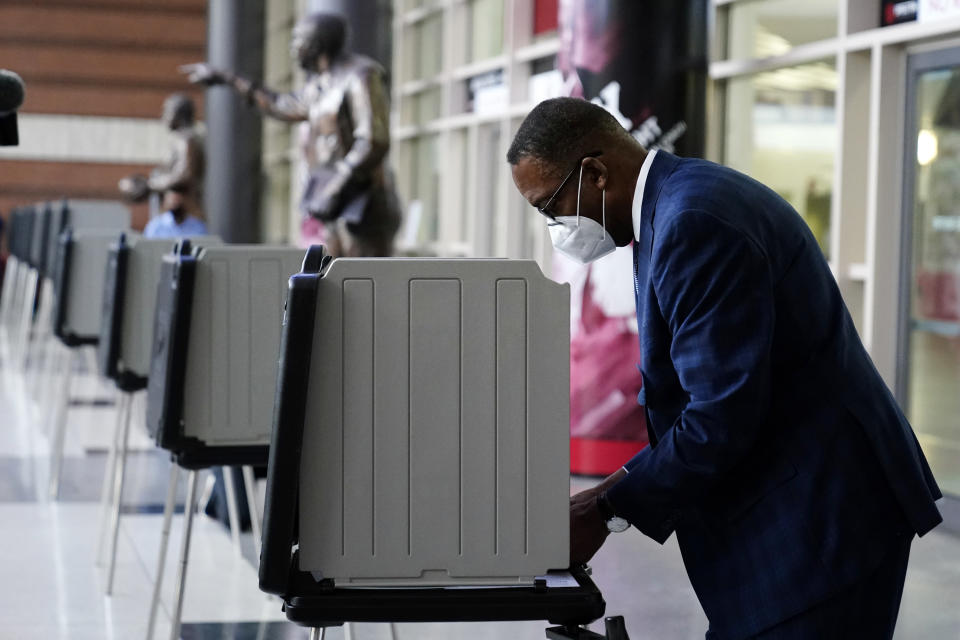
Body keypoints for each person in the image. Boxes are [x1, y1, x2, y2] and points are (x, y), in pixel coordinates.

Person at [507, 97, 942, 639]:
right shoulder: (670, 207)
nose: (555, 226)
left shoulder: (693, 223)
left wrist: (606, 510)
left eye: (550, 206)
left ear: (595, 173)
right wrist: (599, 494)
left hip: (821, 520)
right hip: (792, 501)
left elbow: (718, 414)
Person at [182, 12, 400, 257]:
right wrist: (229, 78)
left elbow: (374, 141)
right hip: (333, 206)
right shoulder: (320, 85)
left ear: (315, 45)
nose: (292, 48)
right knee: (336, 282)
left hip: (363, 208)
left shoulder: (361, 75)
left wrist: (336, 186)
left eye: (297, 41)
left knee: (366, 284)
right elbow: (281, 105)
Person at [119, 93, 205, 221]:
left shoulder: (186, 140)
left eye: (167, 111)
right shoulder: (183, 140)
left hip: (189, 212)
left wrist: (151, 185)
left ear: (179, 114)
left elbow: (184, 175)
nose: (163, 116)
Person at [143, 188, 207, 238]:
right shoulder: (155, 225)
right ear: (165, 202)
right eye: (173, 201)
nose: (176, 204)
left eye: (178, 200)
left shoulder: (197, 225)